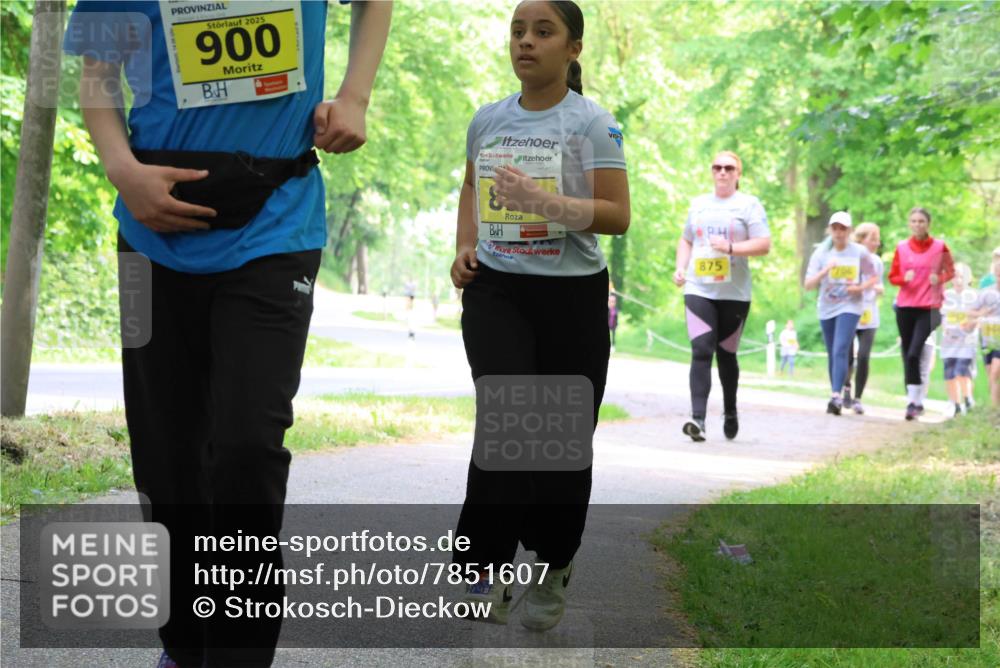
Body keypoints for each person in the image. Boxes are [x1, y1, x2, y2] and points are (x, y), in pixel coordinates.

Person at [65, 2, 391, 666]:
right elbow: (94, 75)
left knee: (245, 448)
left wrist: (355, 95)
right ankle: (183, 648)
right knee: (166, 458)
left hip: (275, 226)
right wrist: (122, 171)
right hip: (147, 235)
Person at [448, 0, 630, 630]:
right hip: (498, 290)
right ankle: (485, 568)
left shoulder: (593, 124)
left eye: (543, 32)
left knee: (558, 442)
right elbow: (472, 187)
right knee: (507, 417)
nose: (526, 42)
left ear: (572, 48)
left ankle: (555, 560)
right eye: (518, 31)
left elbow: (616, 215)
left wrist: (544, 202)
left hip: (571, 297)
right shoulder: (488, 120)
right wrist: (464, 246)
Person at [672, 151, 771, 441]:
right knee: (701, 349)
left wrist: (731, 248)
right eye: (717, 167)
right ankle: (698, 420)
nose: (723, 172)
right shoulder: (699, 204)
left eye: (729, 168)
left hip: (735, 293)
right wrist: (681, 267)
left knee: (726, 355)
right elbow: (686, 238)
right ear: (712, 171)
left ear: (738, 173)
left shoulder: (749, 205)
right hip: (699, 288)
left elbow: (764, 244)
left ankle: (730, 410)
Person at [804, 212, 879, 415]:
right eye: (835, 228)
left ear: (849, 231)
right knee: (833, 352)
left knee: (840, 348)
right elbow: (808, 285)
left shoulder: (859, 252)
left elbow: (873, 276)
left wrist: (860, 288)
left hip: (851, 306)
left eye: (843, 228)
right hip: (827, 307)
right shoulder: (821, 253)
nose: (838, 232)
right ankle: (835, 391)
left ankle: (836, 396)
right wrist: (824, 271)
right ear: (829, 230)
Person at [888, 207, 955, 420]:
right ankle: (913, 401)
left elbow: (951, 270)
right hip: (906, 306)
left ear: (928, 224)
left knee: (915, 352)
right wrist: (903, 279)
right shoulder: (901, 248)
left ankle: (916, 401)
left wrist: (940, 278)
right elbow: (892, 277)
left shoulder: (939, 246)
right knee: (907, 354)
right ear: (909, 224)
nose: (917, 225)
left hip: (930, 308)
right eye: (914, 221)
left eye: (921, 221)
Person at [843, 222, 884, 414]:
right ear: (861, 240)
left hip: (869, 313)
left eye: (877, 239)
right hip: (851, 310)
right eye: (872, 239)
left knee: (864, 356)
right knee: (848, 355)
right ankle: (846, 390)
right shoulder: (850, 258)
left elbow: (880, 286)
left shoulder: (877, 261)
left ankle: (858, 398)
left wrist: (876, 288)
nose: (876, 243)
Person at [940, 263, 978, 416]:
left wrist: (969, 326)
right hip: (949, 339)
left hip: (968, 338)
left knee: (963, 369)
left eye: (961, 275)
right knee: (949, 371)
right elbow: (942, 316)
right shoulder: (946, 295)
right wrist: (946, 328)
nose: (958, 279)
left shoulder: (974, 296)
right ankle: (956, 405)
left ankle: (968, 399)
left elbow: (979, 317)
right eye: (954, 275)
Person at [969, 258, 1000, 407]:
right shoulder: (985, 293)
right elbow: (970, 312)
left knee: (995, 371)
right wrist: (983, 312)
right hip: (988, 338)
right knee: (991, 375)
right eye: (998, 274)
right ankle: (995, 409)